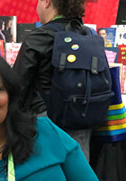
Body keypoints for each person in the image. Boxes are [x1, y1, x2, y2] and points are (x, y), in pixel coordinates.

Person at [13, 0, 94, 159]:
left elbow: (17, 85)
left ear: (47, 2)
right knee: (79, 171)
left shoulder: (39, 37)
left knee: (46, 173)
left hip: (45, 119)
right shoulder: (87, 34)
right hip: (84, 115)